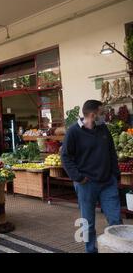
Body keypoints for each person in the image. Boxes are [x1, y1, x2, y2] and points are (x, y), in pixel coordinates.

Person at [61, 100, 122, 253]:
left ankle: (117, 249)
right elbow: (65, 157)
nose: (104, 116)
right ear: (93, 115)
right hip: (86, 184)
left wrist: (115, 175)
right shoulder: (73, 132)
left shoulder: (103, 129)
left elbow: (111, 153)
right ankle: (89, 250)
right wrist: (78, 177)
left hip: (108, 182)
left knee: (116, 220)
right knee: (86, 223)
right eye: (102, 113)